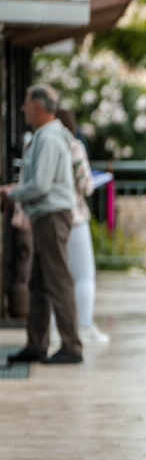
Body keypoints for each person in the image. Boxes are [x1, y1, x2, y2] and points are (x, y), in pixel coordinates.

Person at [0, 85, 83, 364]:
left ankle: (71, 346)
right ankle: (36, 344)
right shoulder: (50, 135)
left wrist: (12, 194)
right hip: (48, 215)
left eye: (26, 103)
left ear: (37, 107)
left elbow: (40, 185)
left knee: (58, 280)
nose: (23, 108)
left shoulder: (48, 137)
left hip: (52, 216)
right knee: (39, 283)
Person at [52, 109, 109, 345]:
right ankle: (84, 325)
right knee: (84, 274)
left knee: (55, 275)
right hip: (73, 216)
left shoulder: (39, 145)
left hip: (48, 216)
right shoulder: (73, 146)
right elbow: (86, 185)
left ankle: (54, 328)